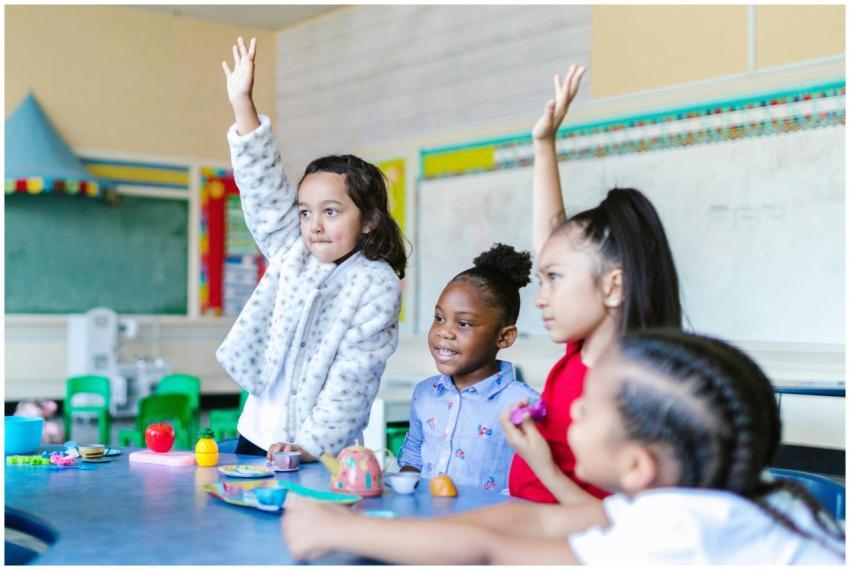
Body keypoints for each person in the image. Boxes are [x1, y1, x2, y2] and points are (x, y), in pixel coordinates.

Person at [281, 330, 845, 565]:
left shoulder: (686, 529)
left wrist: (340, 532)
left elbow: (493, 553)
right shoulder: (714, 498)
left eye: (590, 405)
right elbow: (538, 524)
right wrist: (543, 464)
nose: (572, 407)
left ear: (636, 466)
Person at [216, 37, 407, 461]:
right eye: (305, 212)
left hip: (318, 451)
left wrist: (308, 447)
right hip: (256, 435)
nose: (314, 225)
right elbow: (263, 189)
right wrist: (242, 104)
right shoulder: (293, 250)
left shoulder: (375, 284)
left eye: (332, 212)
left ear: (370, 219)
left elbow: (353, 380)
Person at [505, 64, 683, 504]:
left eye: (554, 281)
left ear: (613, 287)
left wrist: (543, 466)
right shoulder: (580, 350)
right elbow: (553, 242)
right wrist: (543, 144)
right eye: (542, 281)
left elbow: (619, 524)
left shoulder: (630, 386)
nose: (541, 299)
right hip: (529, 522)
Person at [397, 243, 539, 492]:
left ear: (504, 337)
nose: (444, 332)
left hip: (489, 526)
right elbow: (412, 459)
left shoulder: (523, 405)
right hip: (427, 524)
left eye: (463, 323)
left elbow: (533, 480)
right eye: (439, 318)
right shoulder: (425, 393)